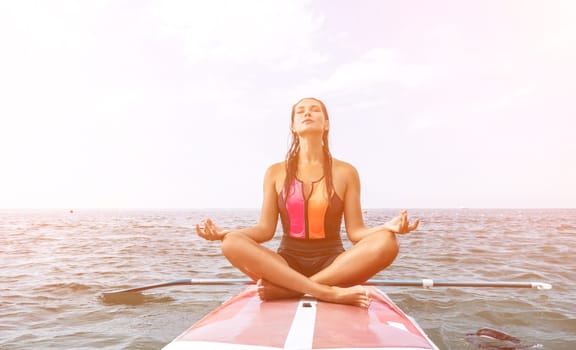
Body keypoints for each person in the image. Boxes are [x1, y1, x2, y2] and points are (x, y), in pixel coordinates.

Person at [196, 97, 419, 308]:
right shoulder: (275, 172)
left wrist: (387, 227)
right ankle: (327, 292)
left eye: (314, 109)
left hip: (334, 265)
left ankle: (290, 290)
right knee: (231, 242)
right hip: (285, 263)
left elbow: (356, 232)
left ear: (326, 123)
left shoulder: (346, 172)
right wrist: (226, 232)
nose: (307, 113)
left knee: (387, 241)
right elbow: (264, 230)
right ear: (293, 126)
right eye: (300, 111)